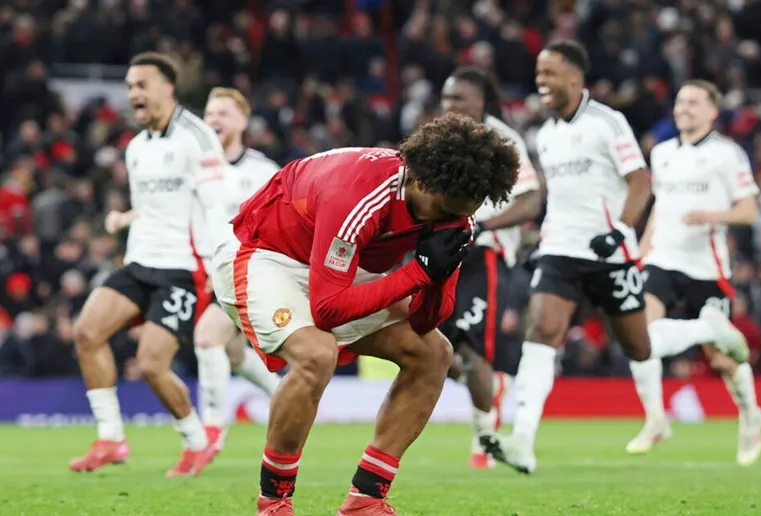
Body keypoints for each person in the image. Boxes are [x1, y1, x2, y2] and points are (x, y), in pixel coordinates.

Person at [212, 113, 519, 515]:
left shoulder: (454, 205)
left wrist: (438, 276)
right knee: (316, 353)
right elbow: (327, 309)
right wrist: (418, 272)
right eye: (446, 211)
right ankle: (274, 503)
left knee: (433, 354)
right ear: (423, 181)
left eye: (463, 214)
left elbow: (428, 320)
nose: (453, 221)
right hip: (264, 255)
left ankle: (366, 500)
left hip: (333, 267)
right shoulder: (358, 192)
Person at [478, 40, 748, 474]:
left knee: (639, 344)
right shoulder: (546, 135)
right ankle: (522, 441)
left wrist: (619, 231)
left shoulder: (607, 122)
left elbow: (640, 183)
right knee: (542, 331)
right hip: (562, 250)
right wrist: (541, 241)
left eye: (549, 74)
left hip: (610, 253)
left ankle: (703, 329)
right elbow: (560, 197)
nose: (541, 82)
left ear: (574, 77)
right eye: (538, 74)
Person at [68, 52, 228, 476]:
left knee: (153, 363)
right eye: (129, 87)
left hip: (183, 268)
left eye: (141, 85)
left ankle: (196, 443)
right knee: (87, 331)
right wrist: (125, 220)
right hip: (141, 261)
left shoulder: (197, 137)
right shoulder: (136, 148)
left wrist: (217, 264)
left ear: (167, 88)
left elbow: (216, 207)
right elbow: (151, 207)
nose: (133, 94)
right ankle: (111, 439)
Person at [626, 80, 761, 466]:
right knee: (642, 336)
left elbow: (749, 210)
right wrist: (643, 247)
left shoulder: (727, 154)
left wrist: (711, 215)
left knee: (721, 359)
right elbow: (661, 206)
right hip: (663, 259)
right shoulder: (663, 153)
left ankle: (752, 414)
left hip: (707, 266)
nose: (683, 108)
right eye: (680, 101)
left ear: (712, 111)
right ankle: (655, 419)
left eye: (693, 102)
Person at [439, 66, 541, 469]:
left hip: (483, 252)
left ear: (480, 101)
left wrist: (482, 223)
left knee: (469, 347)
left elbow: (530, 201)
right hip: (440, 251)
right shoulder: (441, 140)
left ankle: (484, 440)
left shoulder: (502, 140)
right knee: (430, 347)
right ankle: (488, 387)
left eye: (457, 99)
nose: (449, 106)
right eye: (445, 99)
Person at [193, 87, 283, 456]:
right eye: (210, 113)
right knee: (231, 354)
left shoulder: (263, 171)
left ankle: (212, 429)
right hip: (207, 273)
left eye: (223, 113)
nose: (213, 120)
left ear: (243, 120)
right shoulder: (196, 170)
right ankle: (287, 395)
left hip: (251, 271)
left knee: (207, 337)